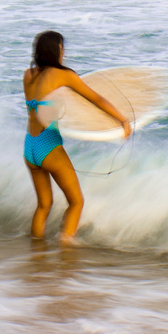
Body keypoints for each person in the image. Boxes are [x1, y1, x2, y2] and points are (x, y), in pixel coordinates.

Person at [22, 30, 131, 243]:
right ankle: (65, 251)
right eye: (62, 48)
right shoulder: (63, 75)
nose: (64, 52)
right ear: (57, 50)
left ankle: (35, 254)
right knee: (76, 202)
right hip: (49, 145)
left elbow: (43, 105)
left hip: (30, 146)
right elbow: (96, 99)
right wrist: (123, 121)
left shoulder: (28, 74)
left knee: (43, 205)